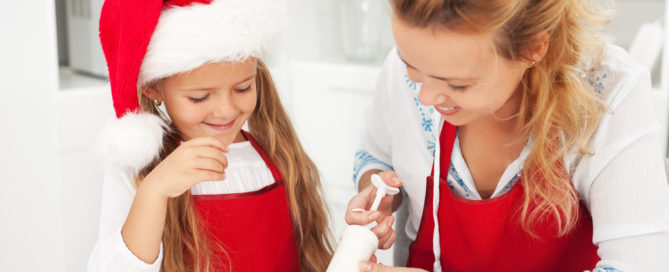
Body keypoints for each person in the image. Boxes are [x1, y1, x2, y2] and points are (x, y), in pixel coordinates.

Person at [346, 0, 669, 271]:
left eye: (457, 84)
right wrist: (377, 192)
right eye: (411, 68)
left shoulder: (609, 98)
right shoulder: (420, 63)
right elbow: (377, 153)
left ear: (533, 49)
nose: (426, 97)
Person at [87, 0, 332, 271]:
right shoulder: (138, 171)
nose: (226, 110)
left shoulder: (280, 155)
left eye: (242, 88)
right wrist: (154, 191)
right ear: (153, 87)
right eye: (199, 97)